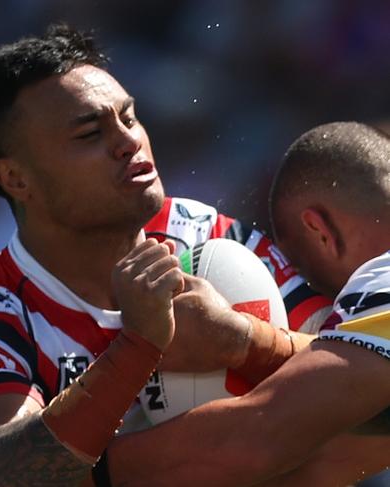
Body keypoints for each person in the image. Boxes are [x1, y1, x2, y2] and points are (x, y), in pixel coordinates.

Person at [0, 24, 330, 486]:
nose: (128, 141)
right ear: (16, 178)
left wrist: (243, 340)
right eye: (89, 134)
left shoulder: (207, 236)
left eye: (129, 118)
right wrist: (138, 349)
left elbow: (367, 372)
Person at [102, 121, 390, 486]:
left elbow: (261, 434)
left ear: (319, 232)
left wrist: (81, 472)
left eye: (299, 269)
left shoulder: (382, 283)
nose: (314, 292)